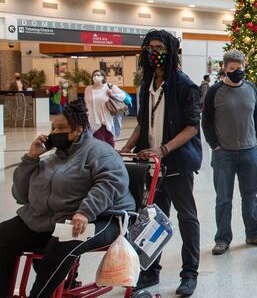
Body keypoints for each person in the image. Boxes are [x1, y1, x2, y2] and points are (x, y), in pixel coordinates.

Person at [0, 100, 135, 298]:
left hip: (104, 217)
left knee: (64, 239)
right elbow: (21, 195)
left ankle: (40, 295)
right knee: (4, 234)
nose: (54, 132)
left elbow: (111, 183)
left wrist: (85, 212)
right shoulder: (53, 158)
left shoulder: (99, 151)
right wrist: (30, 158)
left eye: (61, 128)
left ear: (78, 129)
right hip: (56, 219)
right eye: (53, 127)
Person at [120, 29, 202, 296]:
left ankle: (189, 273)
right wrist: (128, 147)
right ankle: (150, 270)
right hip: (150, 169)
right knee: (151, 220)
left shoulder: (184, 85)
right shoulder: (146, 86)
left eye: (160, 47)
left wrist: (163, 149)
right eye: (150, 46)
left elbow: (191, 127)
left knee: (187, 218)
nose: (154, 51)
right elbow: (143, 123)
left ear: (171, 51)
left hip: (176, 165)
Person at [202, 50, 257, 256]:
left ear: (244, 68)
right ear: (224, 69)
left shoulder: (251, 89)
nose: (235, 72)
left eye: (239, 69)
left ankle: (254, 233)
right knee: (223, 198)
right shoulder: (215, 91)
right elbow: (206, 122)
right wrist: (214, 145)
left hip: (249, 152)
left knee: (250, 195)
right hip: (223, 153)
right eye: (231, 69)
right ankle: (222, 239)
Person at [83, 70, 125, 148]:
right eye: (94, 75)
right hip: (93, 119)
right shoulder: (88, 89)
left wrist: (112, 94)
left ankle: (110, 155)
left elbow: (123, 96)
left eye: (98, 75)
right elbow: (86, 103)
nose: (96, 77)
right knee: (98, 140)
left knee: (109, 139)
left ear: (103, 77)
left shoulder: (109, 86)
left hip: (107, 118)